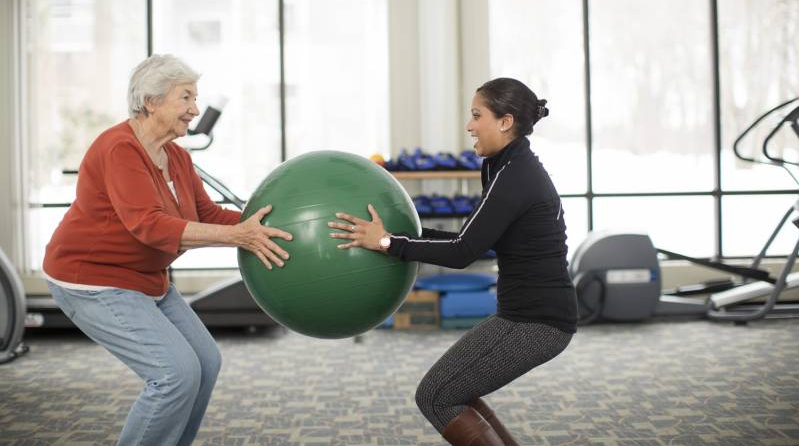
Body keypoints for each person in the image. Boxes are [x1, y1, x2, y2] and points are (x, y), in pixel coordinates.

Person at [43, 54, 292, 446]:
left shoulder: (176, 155)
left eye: (195, 98)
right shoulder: (119, 149)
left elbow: (206, 212)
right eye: (186, 98)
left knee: (205, 364)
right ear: (151, 101)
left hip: (146, 280)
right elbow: (150, 226)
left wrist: (260, 223)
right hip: (93, 279)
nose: (195, 109)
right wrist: (238, 238)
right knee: (174, 375)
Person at [329, 77, 577, 445]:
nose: (469, 126)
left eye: (477, 116)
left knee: (436, 396)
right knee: (453, 391)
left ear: (505, 121)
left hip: (536, 322)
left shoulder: (516, 176)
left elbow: (462, 253)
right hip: (527, 315)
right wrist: (401, 232)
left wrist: (386, 242)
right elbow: (473, 241)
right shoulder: (503, 166)